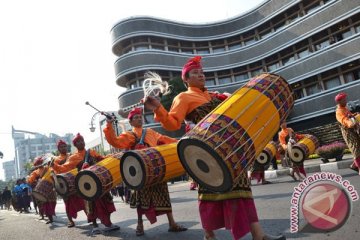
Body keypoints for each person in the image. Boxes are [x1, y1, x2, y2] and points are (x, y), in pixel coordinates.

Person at [144, 56, 285, 240]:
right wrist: (158, 109)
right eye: (195, 73)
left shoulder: (215, 96)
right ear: (186, 79)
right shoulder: (183, 97)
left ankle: (258, 235)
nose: (201, 75)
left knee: (242, 191)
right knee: (209, 194)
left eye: (202, 72)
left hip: (229, 149)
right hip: (206, 150)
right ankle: (209, 235)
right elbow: (173, 123)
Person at [103, 107, 187, 237]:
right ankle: (140, 225)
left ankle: (172, 223)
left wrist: (181, 142)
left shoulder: (151, 132)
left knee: (164, 195)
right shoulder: (129, 135)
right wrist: (109, 125)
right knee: (141, 201)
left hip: (156, 169)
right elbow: (115, 141)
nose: (139, 119)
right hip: (140, 173)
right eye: (135, 118)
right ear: (130, 122)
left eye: (139, 117)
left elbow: (164, 139)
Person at [52, 134, 88, 228]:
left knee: (81, 199)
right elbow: (56, 172)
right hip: (64, 183)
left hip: (74, 179)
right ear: (58, 149)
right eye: (61, 147)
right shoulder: (56, 160)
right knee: (67, 202)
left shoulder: (72, 156)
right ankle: (70, 221)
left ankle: (89, 216)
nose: (63, 148)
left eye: (64, 146)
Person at [335, 92, 360, 174]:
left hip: (353, 130)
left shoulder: (345, 108)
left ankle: (354, 165)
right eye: (344, 100)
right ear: (339, 102)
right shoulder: (338, 111)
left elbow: (349, 116)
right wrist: (351, 123)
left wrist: (353, 115)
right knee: (355, 149)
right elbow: (344, 120)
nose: (346, 101)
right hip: (348, 132)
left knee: (358, 147)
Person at [27, 156, 57, 223]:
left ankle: (50, 215)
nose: (39, 164)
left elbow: (54, 175)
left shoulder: (48, 168)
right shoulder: (35, 172)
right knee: (45, 203)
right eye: (37, 163)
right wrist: (31, 180)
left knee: (53, 202)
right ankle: (49, 217)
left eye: (40, 163)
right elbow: (30, 180)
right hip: (41, 190)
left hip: (51, 188)